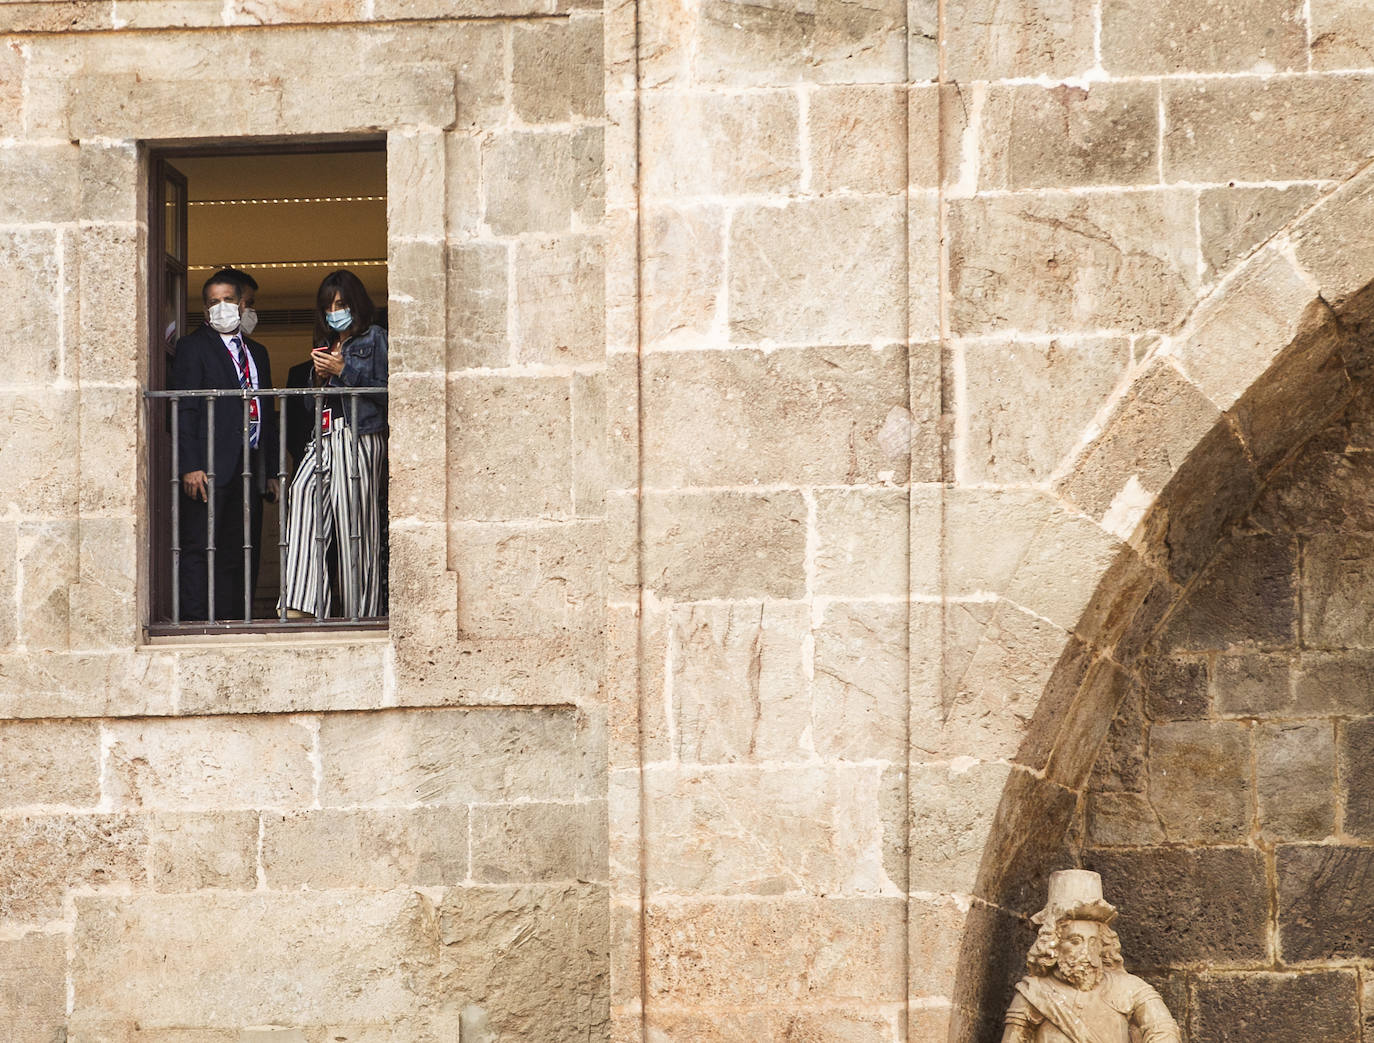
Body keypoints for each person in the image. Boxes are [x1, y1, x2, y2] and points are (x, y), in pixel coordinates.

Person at [170, 269, 279, 621]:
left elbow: (268, 411)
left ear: (241, 303)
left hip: (249, 465)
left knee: (241, 548)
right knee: (201, 546)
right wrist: (189, 464)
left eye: (227, 301)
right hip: (208, 467)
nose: (221, 308)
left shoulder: (258, 352)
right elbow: (184, 410)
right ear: (204, 310)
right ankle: (198, 621)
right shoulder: (192, 347)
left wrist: (272, 469)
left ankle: (237, 617)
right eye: (213, 302)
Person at [279, 269, 388, 619]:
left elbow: (388, 392)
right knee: (302, 493)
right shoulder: (327, 347)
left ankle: (362, 610)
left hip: (359, 435)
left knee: (354, 522)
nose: (334, 312)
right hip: (324, 436)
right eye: (328, 307)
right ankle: (304, 603)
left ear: (356, 304)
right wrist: (319, 379)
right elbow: (314, 406)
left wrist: (344, 370)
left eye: (341, 304)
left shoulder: (375, 338)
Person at [1002, 870, 1180, 1043]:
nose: (1086, 952)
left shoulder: (1129, 988)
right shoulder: (1033, 993)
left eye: (1093, 941)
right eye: (1075, 941)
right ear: (1054, 945)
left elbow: (1163, 1029)